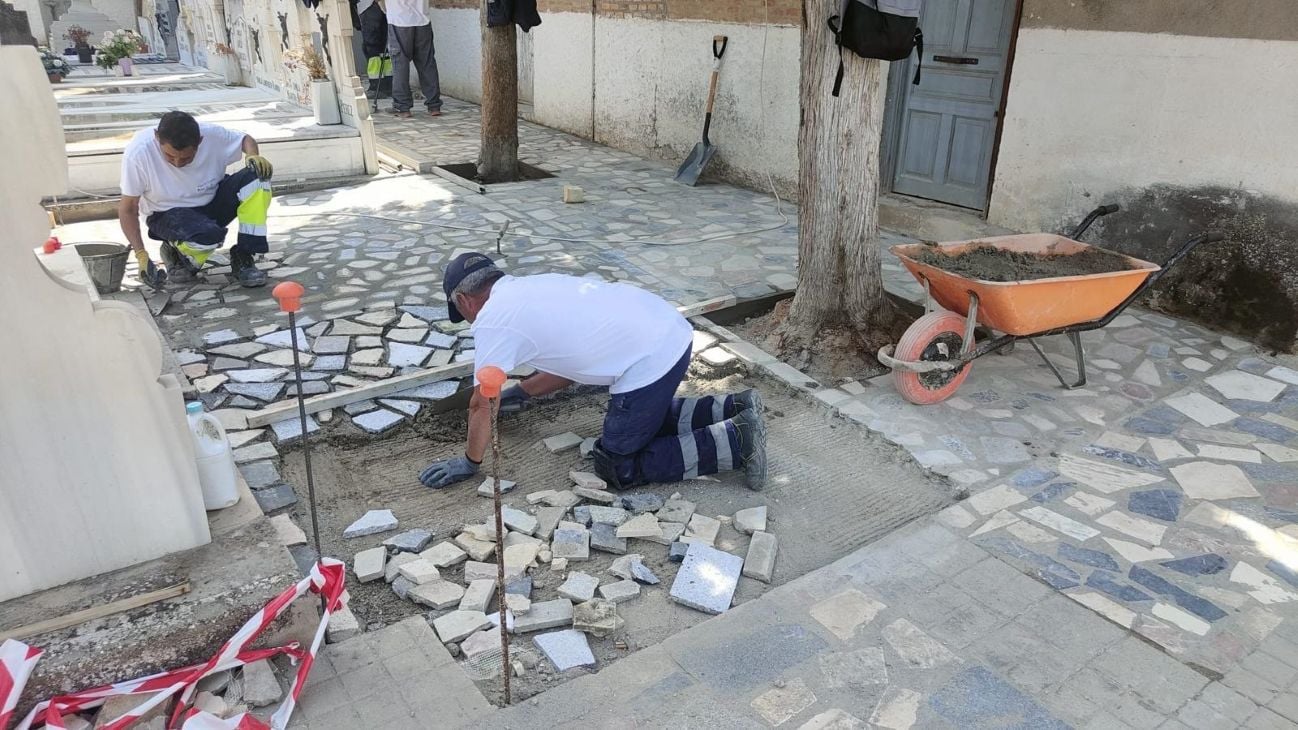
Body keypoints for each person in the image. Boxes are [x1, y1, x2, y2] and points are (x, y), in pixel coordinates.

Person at [419, 253, 768, 491]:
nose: (468, 320)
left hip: (649, 358)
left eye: (462, 313)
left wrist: (470, 462)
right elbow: (572, 366)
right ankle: (734, 406)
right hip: (669, 330)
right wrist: (523, 392)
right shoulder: (531, 287)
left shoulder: (492, 321)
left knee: (617, 465)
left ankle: (738, 440)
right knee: (642, 419)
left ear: (463, 300)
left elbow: (481, 404)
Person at [118, 111, 273, 288]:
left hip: (210, 202)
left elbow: (246, 140)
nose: (177, 163)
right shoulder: (138, 153)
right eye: (170, 156)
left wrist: (253, 156)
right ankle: (176, 251)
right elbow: (128, 208)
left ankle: (244, 255)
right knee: (207, 238)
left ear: (200, 141)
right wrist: (141, 255)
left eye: (186, 158)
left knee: (258, 178)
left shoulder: (212, 135)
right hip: (166, 214)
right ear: (157, 137)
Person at [384, 0, 442, 118]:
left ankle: (402, 106)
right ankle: (434, 105)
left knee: (400, 64)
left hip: (398, 19)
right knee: (427, 63)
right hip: (422, 19)